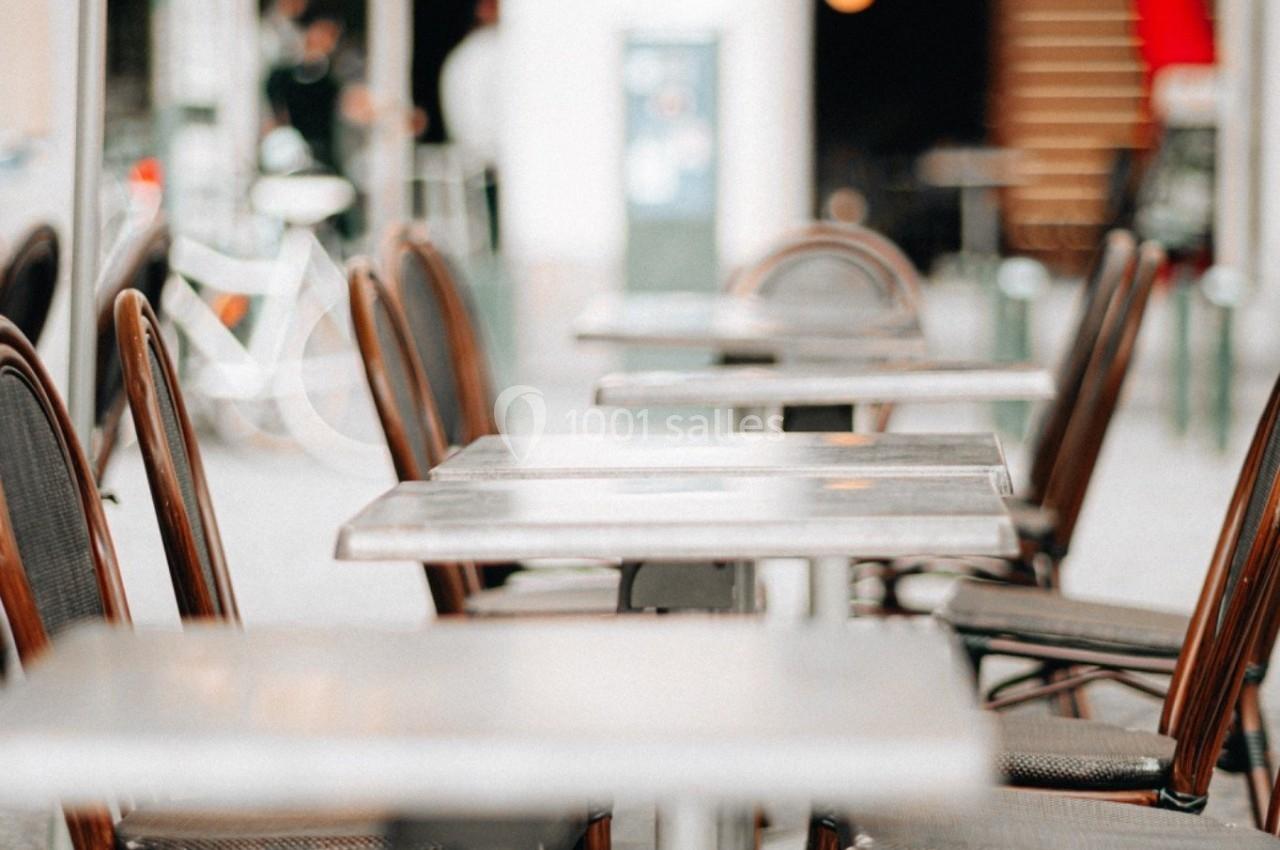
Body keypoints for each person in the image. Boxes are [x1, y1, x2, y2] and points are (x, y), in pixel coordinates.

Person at [265, 10, 345, 173]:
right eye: (319, 32)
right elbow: (273, 118)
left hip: (324, 161)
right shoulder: (281, 76)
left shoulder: (335, 81)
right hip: (287, 158)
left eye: (329, 36)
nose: (321, 40)